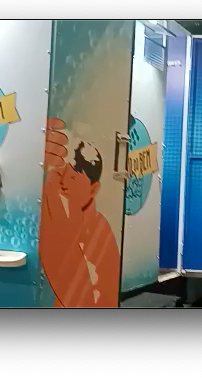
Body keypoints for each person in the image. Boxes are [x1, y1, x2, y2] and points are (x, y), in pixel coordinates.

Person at [39, 118, 121, 308]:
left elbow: (94, 299)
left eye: (74, 178)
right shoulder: (60, 213)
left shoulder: (100, 233)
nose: (63, 183)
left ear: (94, 189)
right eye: (63, 174)